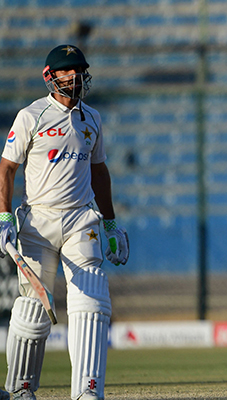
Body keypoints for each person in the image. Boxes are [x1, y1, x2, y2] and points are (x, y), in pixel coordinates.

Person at [0, 45, 128, 400]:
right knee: (33, 311)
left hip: (80, 219)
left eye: (79, 70)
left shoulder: (92, 119)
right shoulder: (32, 116)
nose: (74, 76)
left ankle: (88, 390)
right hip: (38, 221)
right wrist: (4, 216)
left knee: (91, 301)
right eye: (67, 70)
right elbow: (7, 167)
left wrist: (111, 223)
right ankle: (21, 387)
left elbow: (99, 172)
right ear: (50, 76)